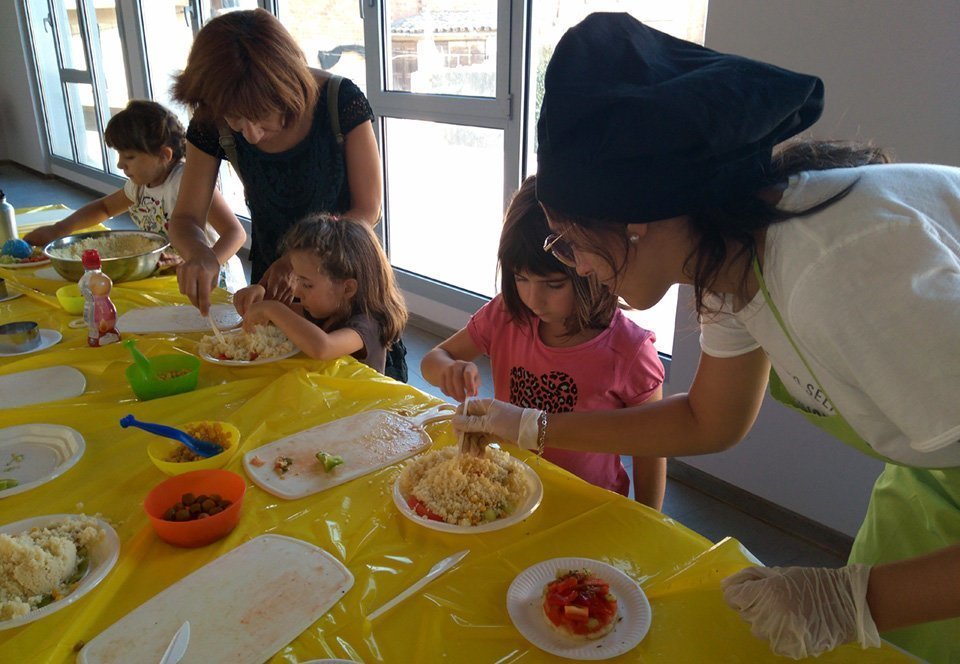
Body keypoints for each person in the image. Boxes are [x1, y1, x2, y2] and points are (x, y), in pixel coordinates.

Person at [454, 13, 960, 663]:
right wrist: (526, 424)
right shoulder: (728, 257)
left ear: (641, 220)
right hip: (925, 497)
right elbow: (706, 420)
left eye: (572, 240)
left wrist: (857, 599)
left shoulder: (840, 270)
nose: (575, 264)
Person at [421, 176, 666, 507]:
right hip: (511, 491)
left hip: (586, 503)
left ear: (590, 269)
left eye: (553, 285)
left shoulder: (629, 351)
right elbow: (434, 358)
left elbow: (652, 446)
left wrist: (651, 518)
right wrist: (448, 369)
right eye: (521, 279)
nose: (534, 299)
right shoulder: (507, 314)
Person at [168, 8, 382, 314]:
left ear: (288, 87)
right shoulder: (212, 118)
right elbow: (185, 218)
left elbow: (367, 210)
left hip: (342, 279)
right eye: (237, 122)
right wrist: (199, 252)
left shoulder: (339, 100)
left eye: (262, 119)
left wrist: (298, 261)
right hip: (272, 282)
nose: (251, 135)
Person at [23, 100, 246, 291]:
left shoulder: (185, 182)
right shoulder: (139, 185)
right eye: (120, 155)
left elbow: (236, 234)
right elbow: (104, 208)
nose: (120, 164)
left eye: (129, 157)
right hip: (170, 276)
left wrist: (204, 263)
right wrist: (58, 229)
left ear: (164, 155)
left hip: (215, 282)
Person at [233, 213, 406, 375]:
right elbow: (282, 319)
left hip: (360, 404)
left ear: (347, 289)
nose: (297, 291)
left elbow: (323, 347)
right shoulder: (325, 307)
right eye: (297, 280)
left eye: (307, 284)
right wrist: (257, 299)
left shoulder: (367, 324)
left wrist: (272, 309)